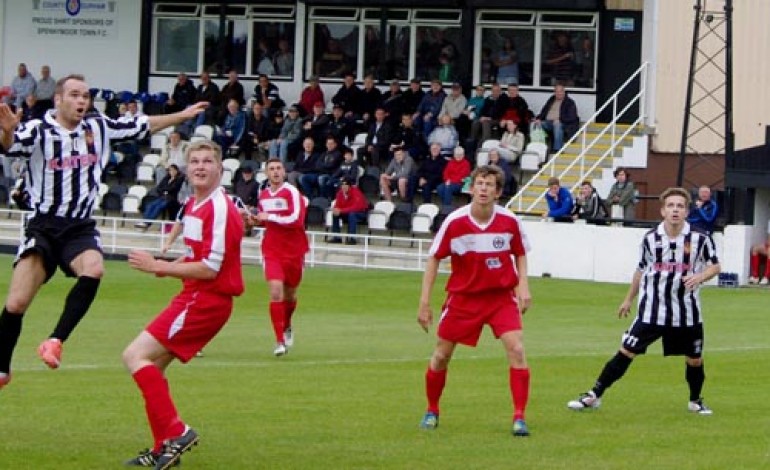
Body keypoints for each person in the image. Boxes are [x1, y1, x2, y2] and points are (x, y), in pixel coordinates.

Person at [0, 74, 208, 389]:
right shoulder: (38, 130)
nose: (83, 101)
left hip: (79, 226)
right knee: (16, 304)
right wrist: (7, 130)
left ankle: (56, 340)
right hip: (43, 225)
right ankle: (2, 367)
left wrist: (182, 115)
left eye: (86, 95)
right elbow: (9, 146)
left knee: (94, 269)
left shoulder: (98, 127)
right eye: (75, 95)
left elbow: (143, 124)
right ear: (58, 99)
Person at [123, 140, 245, 468]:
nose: (200, 167)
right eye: (195, 161)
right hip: (195, 295)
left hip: (206, 300)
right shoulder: (194, 203)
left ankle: (178, 432)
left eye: (207, 161)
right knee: (153, 368)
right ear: (187, 167)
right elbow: (195, 254)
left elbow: (210, 267)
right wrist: (172, 264)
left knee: (134, 356)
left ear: (221, 168)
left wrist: (159, 266)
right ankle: (164, 449)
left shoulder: (219, 208)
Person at [567, 187, 721, 415]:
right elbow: (641, 270)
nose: (675, 210)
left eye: (680, 206)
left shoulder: (700, 238)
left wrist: (700, 276)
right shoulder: (650, 239)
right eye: (671, 206)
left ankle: (695, 401)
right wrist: (628, 299)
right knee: (626, 351)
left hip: (687, 312)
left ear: (687, 211)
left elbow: (715, 266)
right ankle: (594, 395)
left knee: (694, 359)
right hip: (651, 311)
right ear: (663, 211)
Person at [417, 165, 532, 436]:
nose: (483, 189)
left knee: (516, 349)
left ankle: (519, 417)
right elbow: (434, 257)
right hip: (464, 298)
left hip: (499, 297)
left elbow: (520, 252)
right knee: (441, 355)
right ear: (471, 188)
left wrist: (523, 285)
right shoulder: (455, 221)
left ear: (498, 192)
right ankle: (432, 410)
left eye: (489, 185)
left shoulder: (509, 221)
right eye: (479, 183)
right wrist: (424, 301)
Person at [252, 158, 309, 357]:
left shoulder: (292, 192)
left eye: (278, 168)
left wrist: (271, 218)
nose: (275, 172)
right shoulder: (263, 194)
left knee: (290, 294)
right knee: (276, 292)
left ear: (284, 172)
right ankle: (279, 341)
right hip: (272, 250)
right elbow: (266, 222)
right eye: (271, 169)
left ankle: (287, 325)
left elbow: (296, 219)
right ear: (266, 173)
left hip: (294, 250)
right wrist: (255, 221)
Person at [135, 164, 186, 229]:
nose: (171, 172)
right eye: (170, 170)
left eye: (173, 170)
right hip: (162, 196)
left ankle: (148, 223)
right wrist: (165, 190)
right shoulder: (166, 178)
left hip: (171, 198)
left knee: (159, 207)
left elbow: (174, 188)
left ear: (176, 171)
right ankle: (144, 221)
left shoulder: (179, 179)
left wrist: (165, 189)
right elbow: (159, 187)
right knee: (151, 205)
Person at [534, 83, 579, 153]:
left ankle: (557, 149)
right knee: (535, 124)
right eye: (556, 91)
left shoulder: (569, 102)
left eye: (560, 91)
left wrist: (560, 120)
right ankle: (536, 147)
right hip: (548, 122)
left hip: (563, 124)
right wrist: (538, 119)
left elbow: (572, 117)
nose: (558, 93)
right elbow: (544, 111)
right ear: (554, 92)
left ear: (564, 91)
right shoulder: (551, 100)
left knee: (557, 125)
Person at [329, 177, 370, 245]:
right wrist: (336, 209)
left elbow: (356, 207)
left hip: (361, 213)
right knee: (335, 214)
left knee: (352, 214)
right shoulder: (340, 193)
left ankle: (352, 238)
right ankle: (336, 237)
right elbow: (337, 205)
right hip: (347, 212)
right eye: (342, 184)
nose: (344, 186)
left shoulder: (356, 192)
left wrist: (341, 210)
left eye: (346, 184)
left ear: (350, 186)